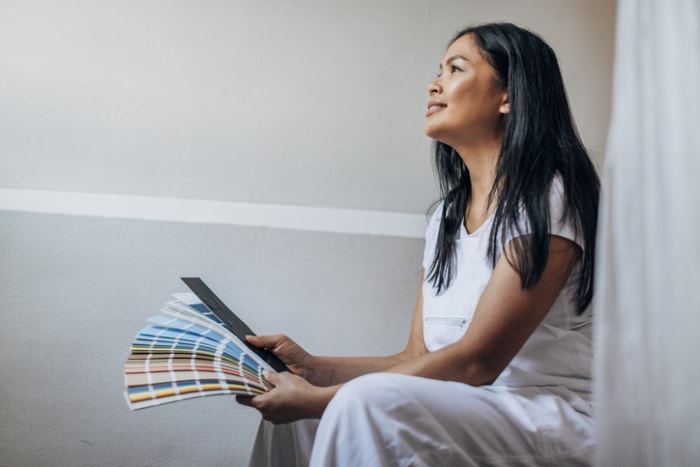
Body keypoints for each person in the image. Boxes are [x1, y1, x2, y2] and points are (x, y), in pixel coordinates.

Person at [238, 22, 600, 466]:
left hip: (546, 415)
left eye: (456, 68)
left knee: (358, 403)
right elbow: (417, 357)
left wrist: (320, 399)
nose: (434, 83)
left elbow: (477, 362)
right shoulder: (446, 217)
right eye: (439, 70)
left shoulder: (550, 197)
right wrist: (314, 369)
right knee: (306, 416)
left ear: (509, 96)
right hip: (469, 407)